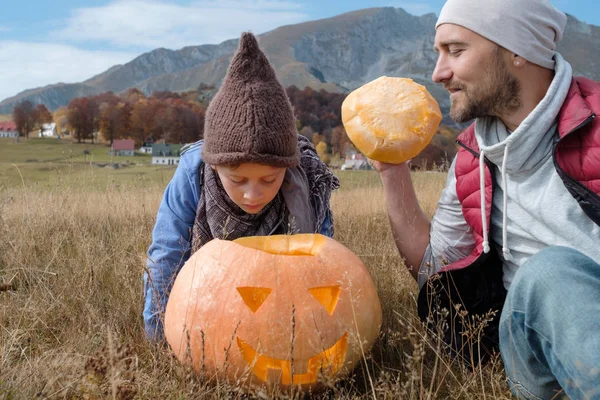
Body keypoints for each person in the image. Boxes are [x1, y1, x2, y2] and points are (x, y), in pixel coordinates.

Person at [372, 0, 600, 398]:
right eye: (439, 53)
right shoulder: (472, 157)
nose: (438, 73)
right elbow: (435, 267)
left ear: (517, 51)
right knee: (550, 274)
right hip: (533, 347)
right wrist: (393, 172)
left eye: (456, 51)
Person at [143, 32, 339, 344]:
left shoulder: (308, 182)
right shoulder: (192, 172)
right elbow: (166, 255)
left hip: (281, 308)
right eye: (237, 180)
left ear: (287, 169)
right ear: (215, 165)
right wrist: (160, 340)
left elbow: (325, 266)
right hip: (207, 308)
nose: (252, 194)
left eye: (269, 180)